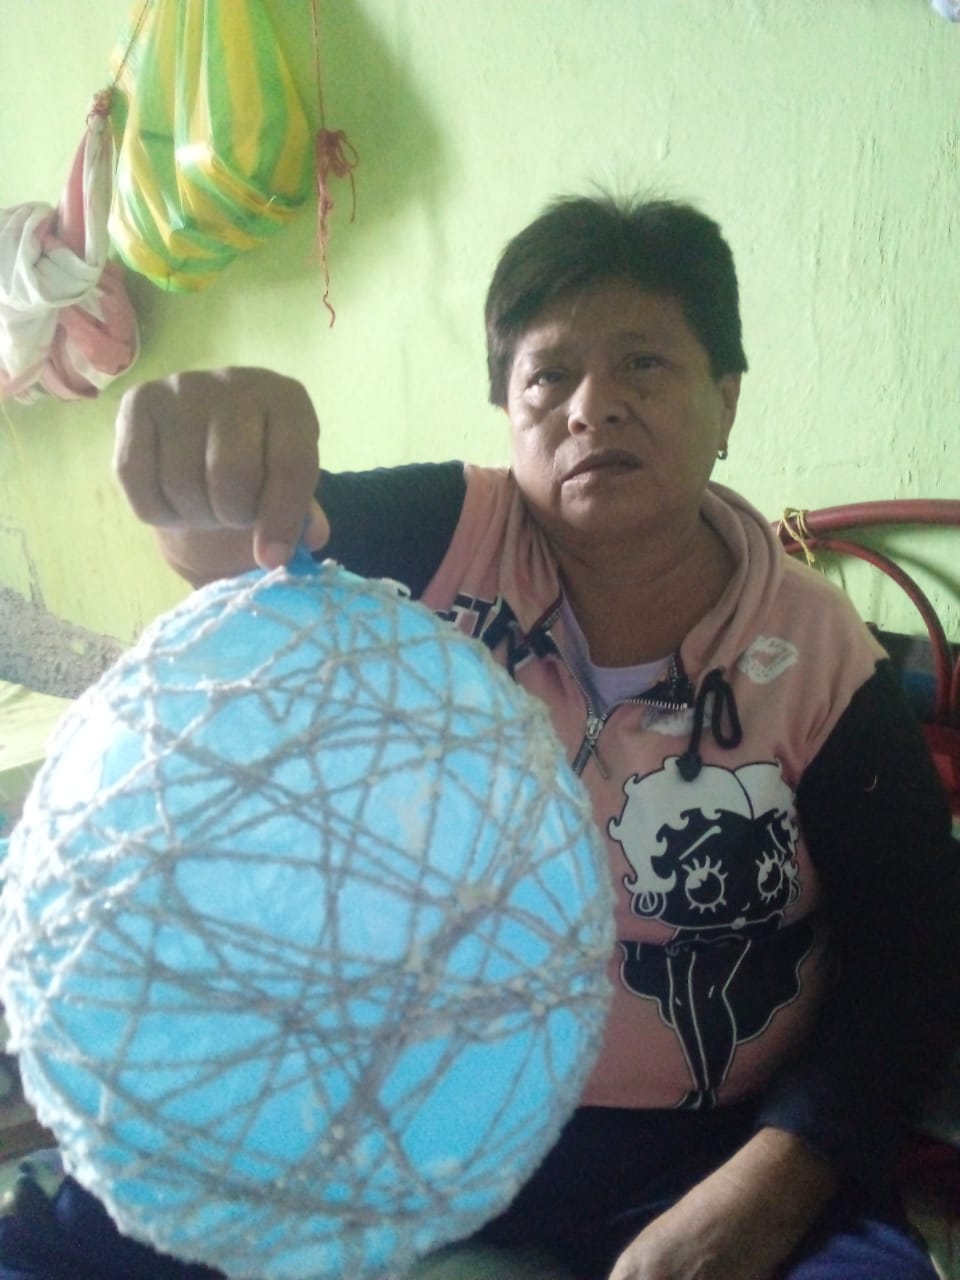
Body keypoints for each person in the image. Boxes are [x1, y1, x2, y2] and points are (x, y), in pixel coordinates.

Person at [2, 194, 957, 1280]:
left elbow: (909, 962)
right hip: (398, 1096)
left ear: (725, 399)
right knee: (67, 1242)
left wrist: (771, 1187)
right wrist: (206, 467)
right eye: (549, 377)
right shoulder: (445, 536)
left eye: (644, 364)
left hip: (693, 1150)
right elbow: (249, 544)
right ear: (507, 411)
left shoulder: (817, 656)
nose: (593, 408)